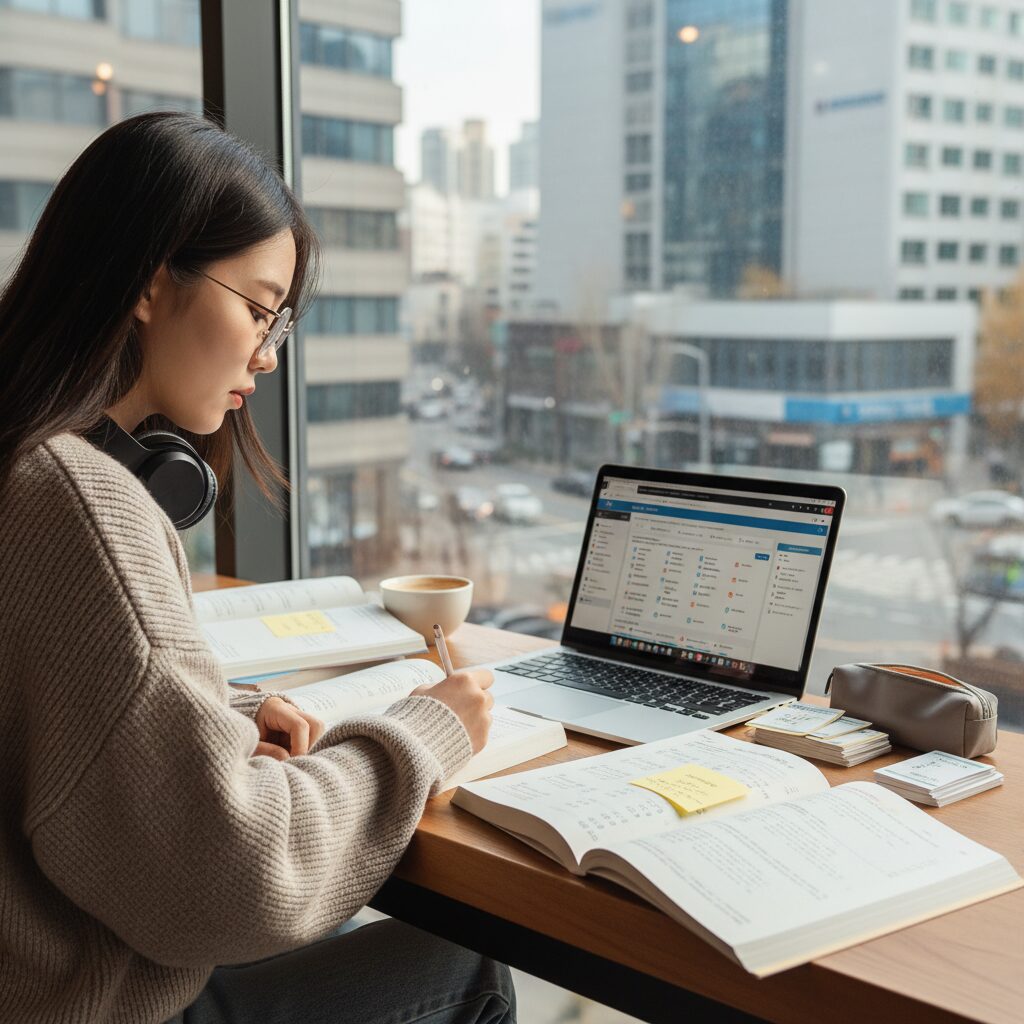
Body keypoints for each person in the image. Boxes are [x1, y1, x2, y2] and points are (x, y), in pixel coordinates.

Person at [0, 112, 515, 1024]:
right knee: (471, 969)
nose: (268, 355)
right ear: (154, 283)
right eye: (258, 307)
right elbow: (227, 879)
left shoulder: (25, 460)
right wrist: (423, 734)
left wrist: (216, 721)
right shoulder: (80, 500)